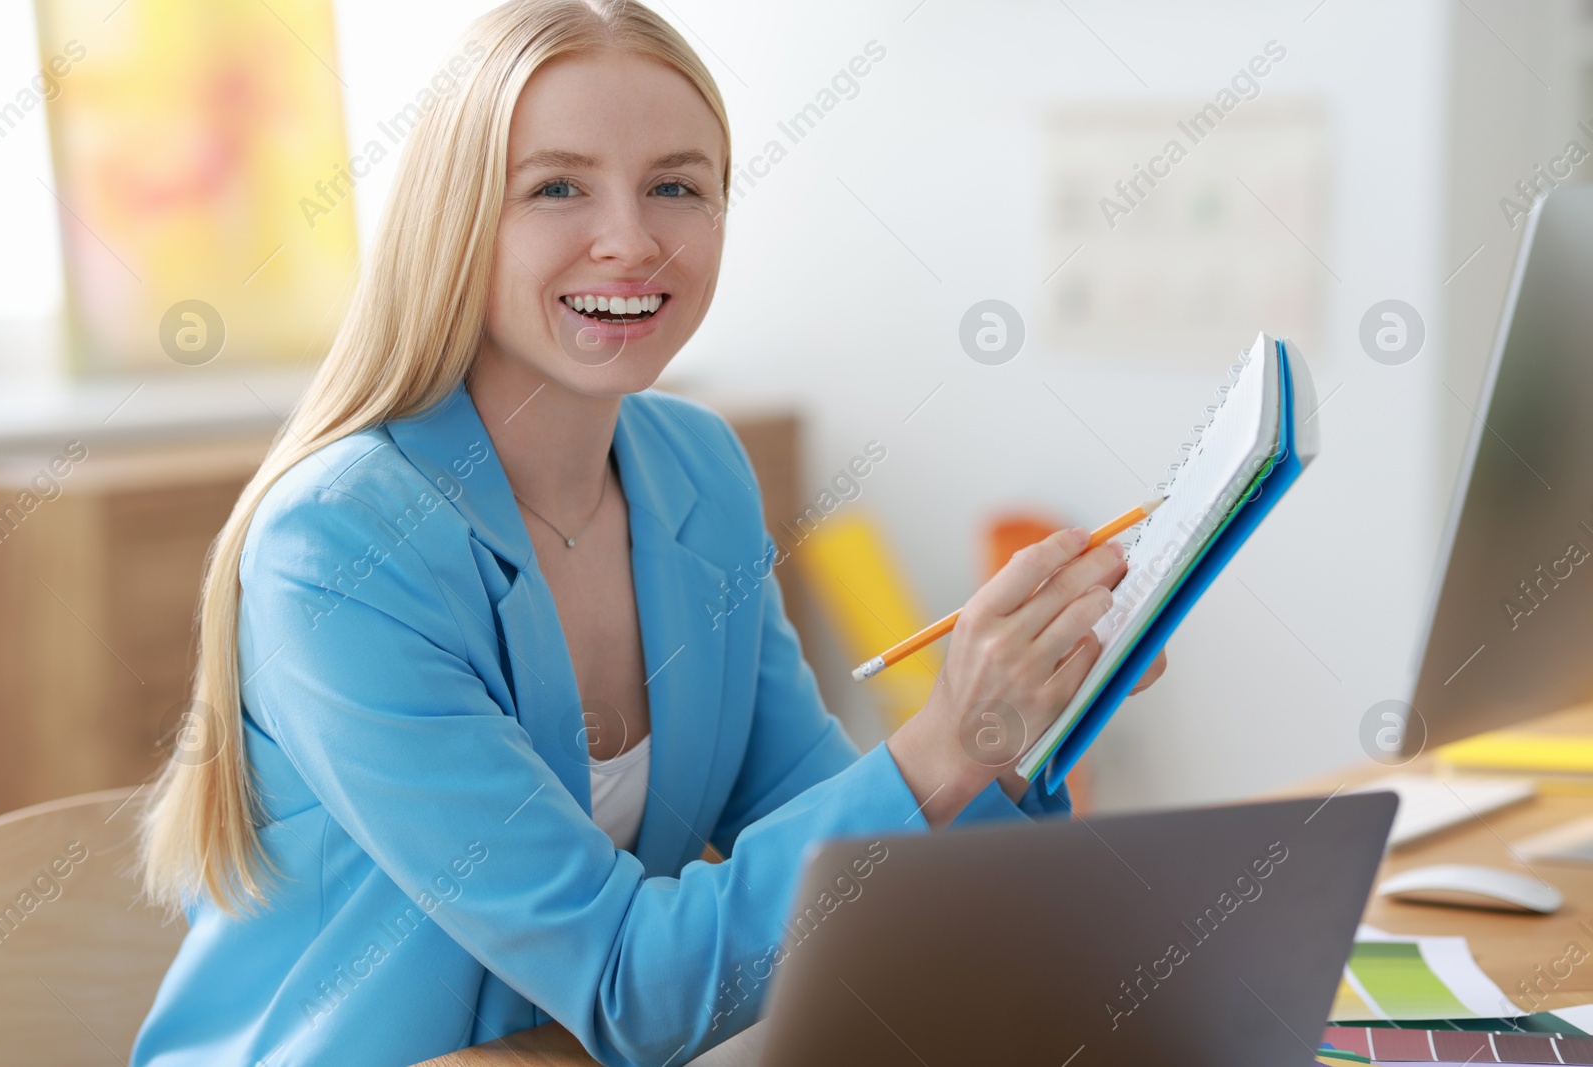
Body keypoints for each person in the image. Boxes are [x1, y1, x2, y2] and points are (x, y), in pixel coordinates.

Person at [130, 2, 1166, 1064]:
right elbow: (625, 982)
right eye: (556, 187)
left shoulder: (698, 473)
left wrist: (1018, 727)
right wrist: (941, 740)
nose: (631, 239)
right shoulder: (341, 546)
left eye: (676, 185)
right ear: (455, 220)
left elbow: (847, 871)